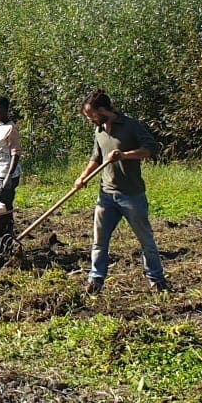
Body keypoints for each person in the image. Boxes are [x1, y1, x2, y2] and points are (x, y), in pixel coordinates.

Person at [70, 88, 169, 294]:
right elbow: (96, 159)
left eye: (91, 115)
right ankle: (95, 281)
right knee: (99, 241)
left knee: (146, 241)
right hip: (106, 195)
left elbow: (150, 149)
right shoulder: (99, 131)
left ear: (103, 110)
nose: (90, 119)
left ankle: (157, 280)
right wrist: (82, 177)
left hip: (131, 195)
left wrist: (124, 155)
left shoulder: (131, 126)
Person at [0, 97, 23, 210]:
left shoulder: (11, 128)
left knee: (4, 207)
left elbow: (15, 153)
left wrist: (9, 176)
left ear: (6, 110)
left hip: (6, 175)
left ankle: (8, 227)